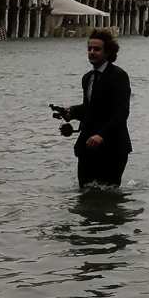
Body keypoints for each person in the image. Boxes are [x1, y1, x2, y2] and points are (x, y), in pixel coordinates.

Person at [62, 29, 132, 187]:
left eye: (97, 49)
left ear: (108, 52)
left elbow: (121, 112)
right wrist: (71, 112)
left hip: (113, 147)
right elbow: (90, 109)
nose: (92, 52)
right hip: (87, 146)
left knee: (108, 194)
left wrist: (101, 135)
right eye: (90, 49)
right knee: (84, 192)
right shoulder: (87, 78)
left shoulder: (119, 76)